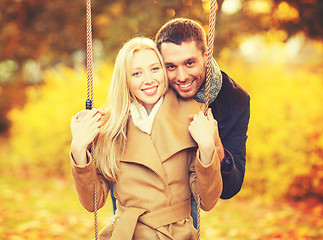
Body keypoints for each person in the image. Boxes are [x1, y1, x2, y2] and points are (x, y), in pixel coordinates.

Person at [70, 36, 223, 239]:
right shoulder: (108, 125)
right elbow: (93, 202)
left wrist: (207, 149)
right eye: (136, 73)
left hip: (175, 234)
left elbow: (207, 201)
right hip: (127, 233)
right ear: (125, 79)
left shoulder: (192, 116)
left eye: (154, 69)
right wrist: (79, 150)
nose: (149, 80)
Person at [155, 18, 250, 227]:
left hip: (187, 196)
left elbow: (230, 188)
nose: (181, 76)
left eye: (190, 63)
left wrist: (215, 145)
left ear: (206, 56)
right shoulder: (151, 88)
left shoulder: (234, 101)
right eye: (170, 66)